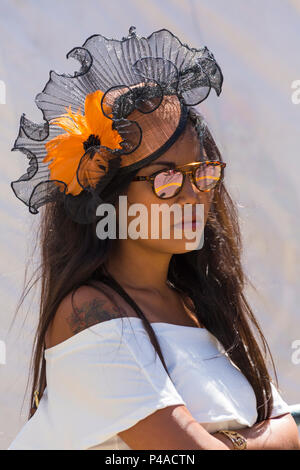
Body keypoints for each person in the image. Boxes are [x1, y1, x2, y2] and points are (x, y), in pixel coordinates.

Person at [8, 26, 299, 450]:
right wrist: (246, 440)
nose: (193, 194)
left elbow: (290, 429)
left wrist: (227, 440)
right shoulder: (88, 312)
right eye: (165, 179)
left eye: (202, 172)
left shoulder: (201, 306)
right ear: (110, 197)